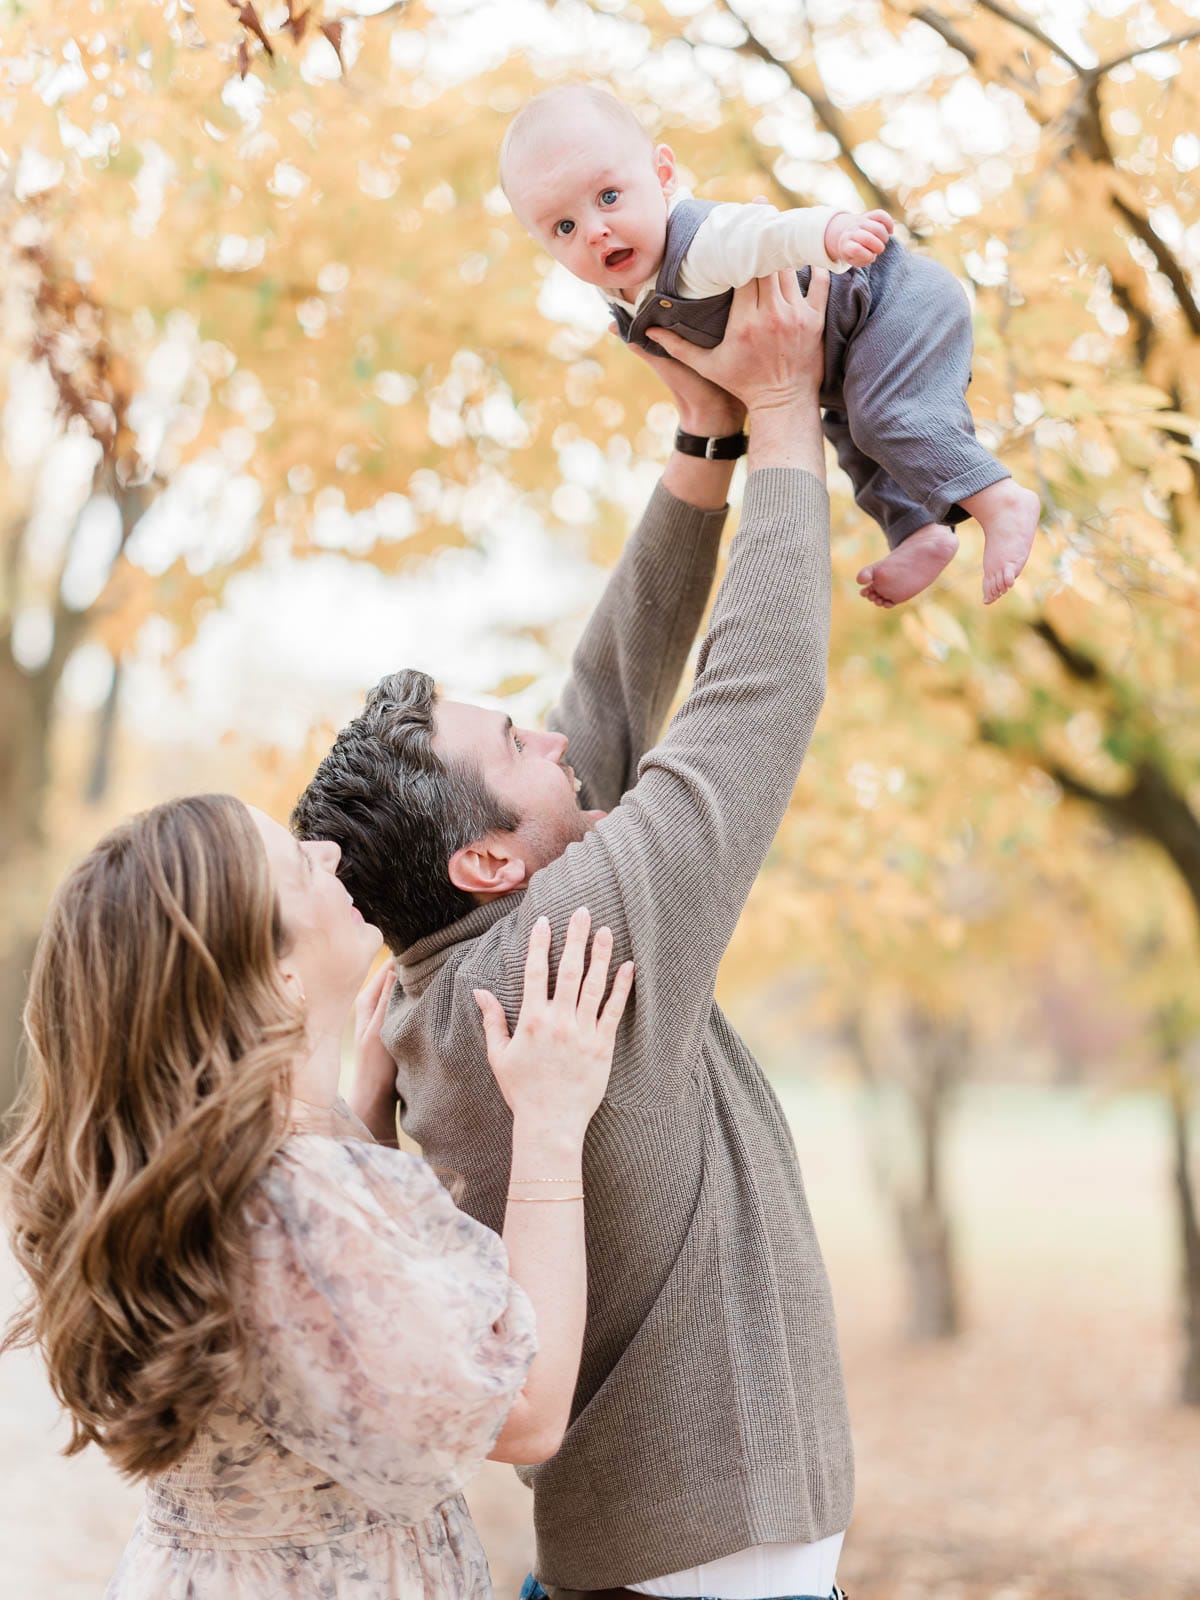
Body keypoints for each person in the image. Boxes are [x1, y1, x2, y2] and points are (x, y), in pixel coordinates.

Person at [292, 269, 853, 1600]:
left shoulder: (462, 964)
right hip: (712, 1579)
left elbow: (599, 702)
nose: (552, 734)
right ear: (486, 861)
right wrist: (781, 419)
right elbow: (758, 695)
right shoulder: (559, 952)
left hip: (664, 1567)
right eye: (511, 740)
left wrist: (699, 455)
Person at [1, 792, 632, 1599]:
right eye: (301, 866)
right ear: (278, 978)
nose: (329, 853)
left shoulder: (234, 1168)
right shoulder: (288, 1206)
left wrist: (362, 1115)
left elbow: (330, 1363)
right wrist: (550, 1119)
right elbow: (528, 1412)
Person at [500, 83, 1040, 609]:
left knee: (885, 417)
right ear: (541, 242)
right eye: (565, 226)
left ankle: (1001, 501)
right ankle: (919, 530)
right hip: (844, 356)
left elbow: (771, 232)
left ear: (662, 175)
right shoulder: (620, 292)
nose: (595, 230)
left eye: (609, 197)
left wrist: (835, 233)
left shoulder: (702, 243)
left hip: (891, 299)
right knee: (854, 433)